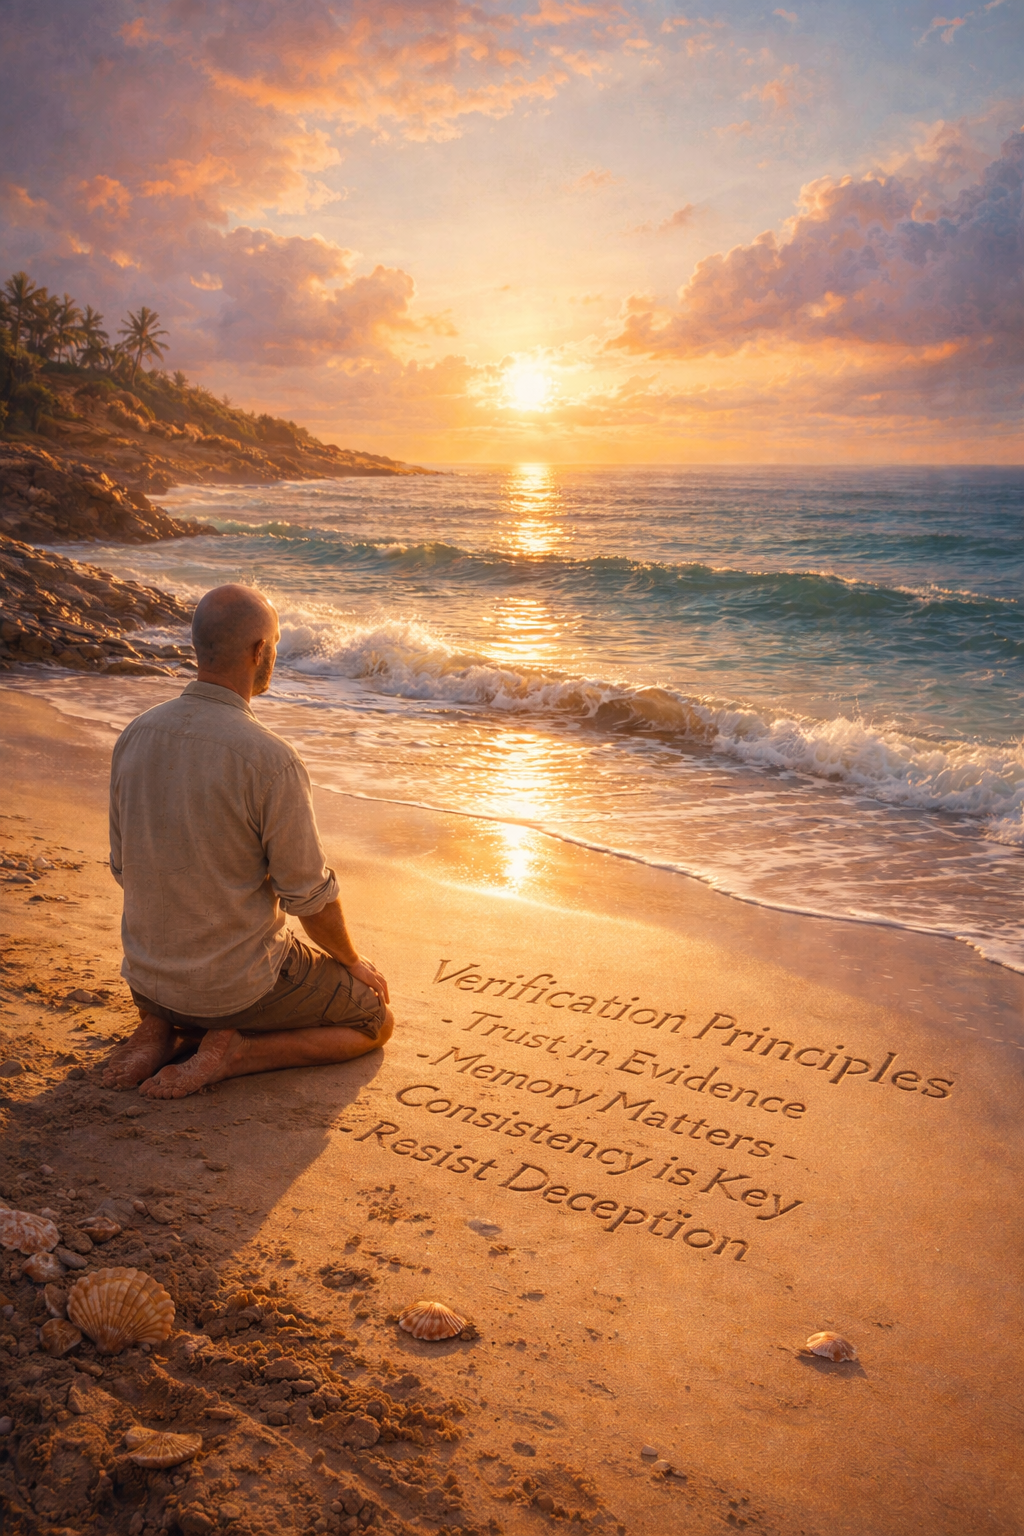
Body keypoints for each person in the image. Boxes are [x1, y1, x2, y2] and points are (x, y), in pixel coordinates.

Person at [103, 583, 393, 1100]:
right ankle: (239, 1054)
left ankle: (160, 1025)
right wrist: (350, 959)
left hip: (146, 979)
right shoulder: (269, 759)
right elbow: (309, 898)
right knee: (374, 1020)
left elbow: (125, 867)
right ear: (260, 652)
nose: (274, 655)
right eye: (275, 644)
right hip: (230, 993)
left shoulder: (135, 734)